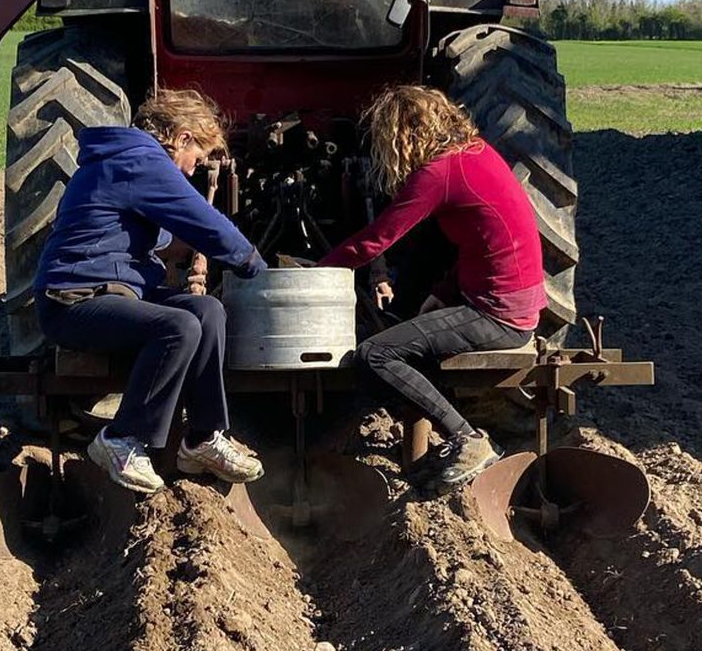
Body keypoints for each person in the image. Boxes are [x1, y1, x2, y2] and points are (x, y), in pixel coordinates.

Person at [33, 88, 266, 496]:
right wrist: (254, 266)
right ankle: (121, 438)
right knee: (178, 327)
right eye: (196, 158)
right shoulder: (139, 160)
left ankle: (201, 439)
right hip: (72, 300)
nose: (193, 171)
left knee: (207, 311)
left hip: (118, 291)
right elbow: (203, 221)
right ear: (182, 138)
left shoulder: (134, 161)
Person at [318, 86, 545, 491]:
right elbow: (487, 242)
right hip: (512, 303)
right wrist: (443, 290)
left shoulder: (438, 172)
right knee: (405, 340)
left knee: (375, 354)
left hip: (498, 314)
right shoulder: (475, 153)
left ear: (403, 135)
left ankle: (468, 439)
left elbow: (376, 240)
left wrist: (316, 272)